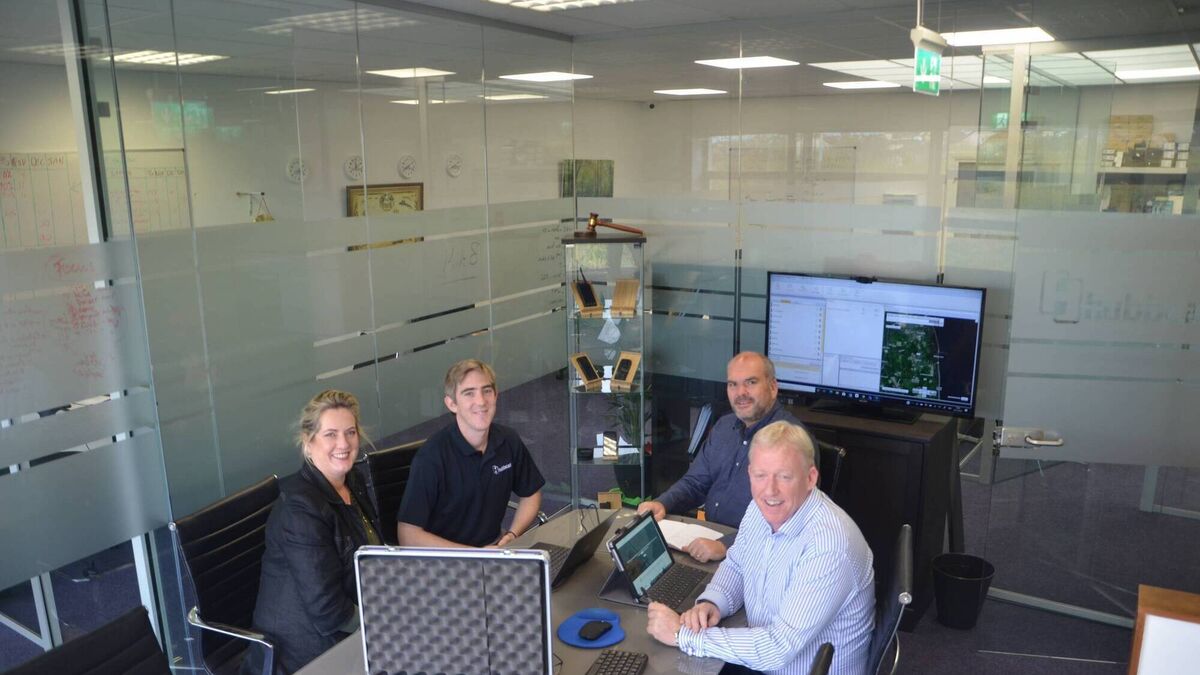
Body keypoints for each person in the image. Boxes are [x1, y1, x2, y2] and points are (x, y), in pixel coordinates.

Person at [644, 421, 874, 675]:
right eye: (761, 475)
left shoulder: (829, 546)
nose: (770, 490)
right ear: (750, 474)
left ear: (811, 478)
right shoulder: (760, 508)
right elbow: (737, 564)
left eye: (784, 476)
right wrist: (713, 602)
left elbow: (778, 648)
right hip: (763, 658)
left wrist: (682, 635)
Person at [249, 390, 383, 675]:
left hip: (353, 617)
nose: (343, 444)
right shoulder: (301, 509)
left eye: (350, 432)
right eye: (330, 435)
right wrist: (382, 625)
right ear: (308, 442)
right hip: (306, 651)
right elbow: (327, 610)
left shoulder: (351, 481)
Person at [638, 352, 808, 562]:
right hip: (710, 539)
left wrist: (725, 545)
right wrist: (663, 503)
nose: (741, 393)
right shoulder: (724, 427)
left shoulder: (790, 441)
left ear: (773, 387)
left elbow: (788, 521)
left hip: (758, 556)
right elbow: (695, 482)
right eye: (733, 385)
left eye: (751, 382)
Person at [397, 359, 545, 547]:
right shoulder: (431, 457)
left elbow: (531, 493)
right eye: (469, 393)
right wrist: (476, 556)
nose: (481, 401)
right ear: (452, 404)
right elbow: (407, 535)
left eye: (487, 391)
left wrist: (512, 534)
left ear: (496, 395)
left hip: (494, 549)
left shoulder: (508, 440)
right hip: (447, 558)